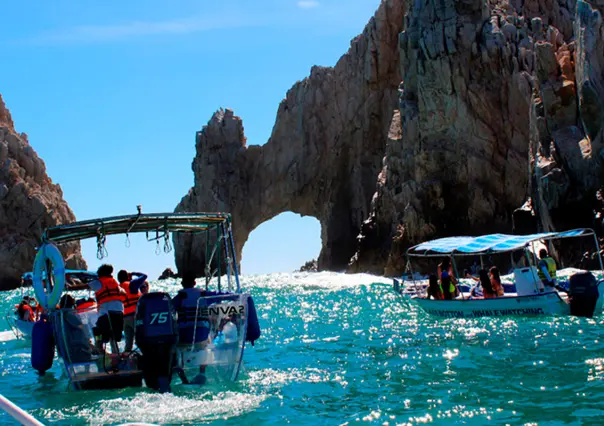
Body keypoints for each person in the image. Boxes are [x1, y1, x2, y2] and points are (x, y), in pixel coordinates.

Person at [172, 272, 210, 384]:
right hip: (200, 336)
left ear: (182, 284)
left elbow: (170, 309)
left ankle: (183, 376)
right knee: (206, 344)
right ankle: (202, 372)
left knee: (177, 350)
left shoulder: (179, 297)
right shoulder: (203, 294)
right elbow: (220, 296)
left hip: (184, 337)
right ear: (194, 283)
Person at [88, 264, 126, 352]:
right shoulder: (114, 282)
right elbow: (123, 292)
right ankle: (116, 354)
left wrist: (69, 287)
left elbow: (84, 286)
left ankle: (99, 350)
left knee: (97, 331)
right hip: (119, 313)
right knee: (114, 336)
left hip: (106, 314)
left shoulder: (98, 282)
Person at [117, 270, 148, 352]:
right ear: (127, 277)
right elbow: (144, 276)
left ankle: (126, 359)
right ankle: (147, 356)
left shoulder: (117, 288)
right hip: (135, 316)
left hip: (125, 318)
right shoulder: (132, 284)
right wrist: (134, 273)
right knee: (141, 339)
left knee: (128, 344)